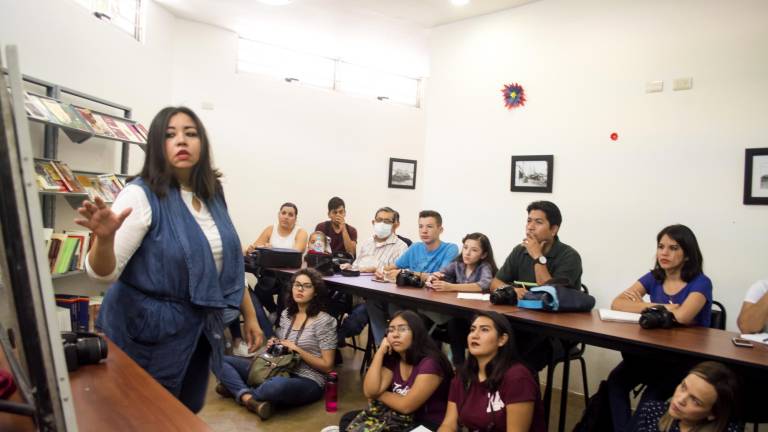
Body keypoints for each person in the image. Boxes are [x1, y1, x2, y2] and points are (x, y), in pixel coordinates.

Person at [77, 106, 263, 413]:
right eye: (170, 134)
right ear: (156, 146)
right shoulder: (140, 195)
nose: (181, 141)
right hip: (145, 335)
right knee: (142, 415)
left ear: (202, 144)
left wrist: (251, 316)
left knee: (185, 409)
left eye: (190, 133)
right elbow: (102, 275)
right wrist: (105, 239)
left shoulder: (213, 193)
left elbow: (226, 263)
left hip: (197, 333)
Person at [607, 224, 713, 432]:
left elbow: (683, 316)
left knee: (652, 396)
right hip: (653, 354)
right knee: (616, 381)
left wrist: (640, 305)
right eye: (661, 246)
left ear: (688, 255)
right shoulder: (655, 277)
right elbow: (617, 303)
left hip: (683, 360)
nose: (664, 253)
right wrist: (663, 307)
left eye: (673, 248)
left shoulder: (701, 282)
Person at [215, 268, 337, 420]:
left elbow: (327, 366)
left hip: (307, 378)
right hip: (275, 367)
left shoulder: (324, 321)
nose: (300, 289)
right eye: (297, 284)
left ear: (316, 292)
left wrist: (297, 349)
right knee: (218, 360)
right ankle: (248, 398)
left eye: (307, 286)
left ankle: (236, 389)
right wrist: (274, 343)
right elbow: (282, 344)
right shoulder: (287, 314)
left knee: (275, 386)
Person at [489, 201, 582, 371]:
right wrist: (511, 290)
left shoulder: (570, 256)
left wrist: (537, 256)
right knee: (486, 339)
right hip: (522, 322)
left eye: (538, 222)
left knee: (516, 360)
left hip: (556, 332)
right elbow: (495, 282)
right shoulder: (519, 251)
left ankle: (520, 393)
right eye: (528, 221)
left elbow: (551, 291)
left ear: (554, 229)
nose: (530, 227)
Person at [339, 310, 453, 431]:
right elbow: (369, 391)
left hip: (426, 423)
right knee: (348, 418)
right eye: (391, 330)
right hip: (399, 417)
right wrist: (380, 352)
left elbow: (406, 406)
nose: (395, 334)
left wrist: (378, 394)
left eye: (402, 329)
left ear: (416, 333)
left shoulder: (430, 363)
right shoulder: (394, 358)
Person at [437, 311, 546, 432]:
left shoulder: (518, 378)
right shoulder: (462, 376)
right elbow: (449, 425)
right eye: (472, 330)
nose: (475, 335)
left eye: (484, 330)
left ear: (502, 339)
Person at [368, 210, 459, 344]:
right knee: (372, 300)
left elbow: (439, 277)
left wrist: (408, 273)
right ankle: (384, 346)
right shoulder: (415, 247)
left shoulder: (450, 249)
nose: (424, 231)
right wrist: (382, 271)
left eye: (429, 226)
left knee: (395, 307)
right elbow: (393, 266)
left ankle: (398, 349)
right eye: (420, 226)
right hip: (409, 299)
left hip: (432, 305)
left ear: (440, 229)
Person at [336, 207, 408, 347]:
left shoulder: (402, 247)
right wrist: (349, 267)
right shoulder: (367, 243)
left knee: (356, 319)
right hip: (358, 292)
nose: (382, 224)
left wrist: (377, 269)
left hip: (382, 298)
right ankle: (328, 343)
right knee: (329, 302)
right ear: (373, 222)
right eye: (379, 220)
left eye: (387, 221)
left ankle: (383, 351)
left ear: (395, 225)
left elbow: (397, 276)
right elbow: (356, 266)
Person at [426, 232, 498, 365]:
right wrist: (434, 277)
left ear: (483, 254)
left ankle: (470, 366)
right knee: (451, 324)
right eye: (465, 247)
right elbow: (443, 272)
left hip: (477, 315)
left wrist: (451, 287)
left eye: (474, 250)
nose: (467, 253)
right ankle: (457, 365)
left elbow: (484, 284)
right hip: (459, 313)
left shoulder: (484, 267)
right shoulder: (458, 264)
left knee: (455, 325)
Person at [628, 361, 742, 432]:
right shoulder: (652, 411)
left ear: (712, 414)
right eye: (683, 387)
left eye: (696, 401)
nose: (680, 400)